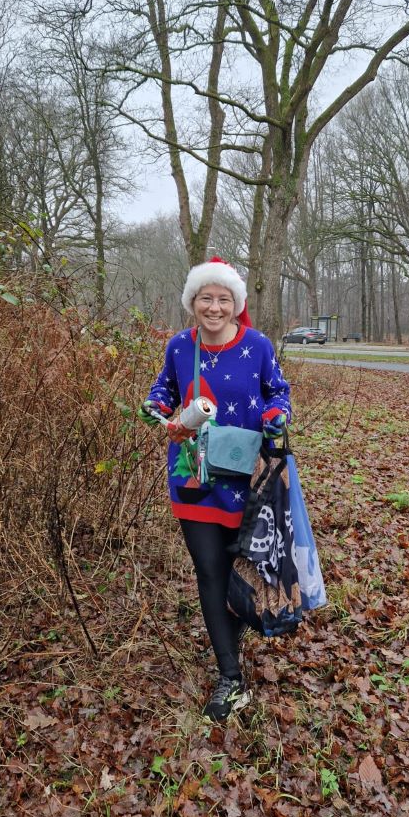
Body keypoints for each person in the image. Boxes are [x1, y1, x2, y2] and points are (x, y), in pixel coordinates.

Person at [138, 258, 291, 721]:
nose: (214, 307)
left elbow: (278, 392)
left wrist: (275, 416)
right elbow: (164, 390)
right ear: (193, 301)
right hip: (193, 477)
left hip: (247, 478)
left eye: (224, 299)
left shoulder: (257, 346)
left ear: (236, 303)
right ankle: (231, 677)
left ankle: (235, 624)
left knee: (237, 571)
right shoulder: (179, 347)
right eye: (206, 297)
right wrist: (155, 407)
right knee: (209, 572)